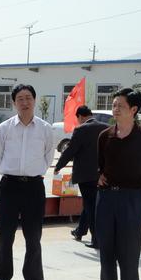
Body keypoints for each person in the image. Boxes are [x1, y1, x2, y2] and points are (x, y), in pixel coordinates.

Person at [92, 88, 141, 280]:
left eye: (120, 105)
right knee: (106, 252)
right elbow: (99, 166)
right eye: (114, 105)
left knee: (129, 255)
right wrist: (99, 176)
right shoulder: (105, 136)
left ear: (134, 109)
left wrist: (135, 195)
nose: (115, 109)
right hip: (106, 199)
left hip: (132, 200)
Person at [0, 84, 54, 280]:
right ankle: (1, 279)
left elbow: (48, 156)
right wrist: (11, 171)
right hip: (9, 186)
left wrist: (34, 172)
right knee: (5, 235)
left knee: (33, 237)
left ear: (34, 100)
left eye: (28, 98)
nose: (25, 102)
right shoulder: (4, 128)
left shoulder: (45, 128)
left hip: (34, 187)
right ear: (13, 102)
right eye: (20, 99)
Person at [54, 105, 108, 248]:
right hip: (102, 174)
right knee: (90, 204)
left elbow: (70, 150)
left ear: (80, 117)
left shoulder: (81, 129)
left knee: (90, 207)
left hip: (85, 175)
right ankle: (80, 231)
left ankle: (96, 239)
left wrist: (59, 166)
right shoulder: (106, 127)